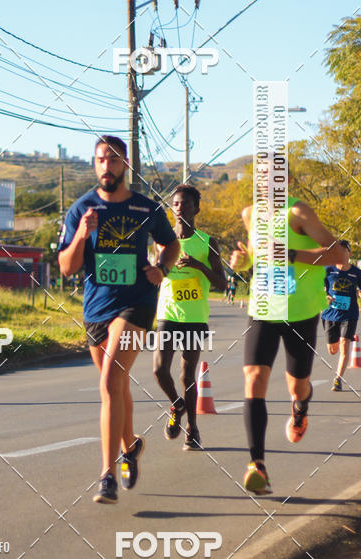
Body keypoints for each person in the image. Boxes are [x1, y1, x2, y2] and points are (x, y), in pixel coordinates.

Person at [58, 135, 180, 504]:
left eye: (112, 160)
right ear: (94, 165)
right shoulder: (82, 209)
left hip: (137, 305)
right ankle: (131, 446)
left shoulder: (145, 208)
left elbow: (171, 243)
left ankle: (106, 476)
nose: (106, 166)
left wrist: (161, 267)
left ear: (125, 165)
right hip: (97, 308)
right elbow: (66, 267)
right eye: (99, 160)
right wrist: (82, 234)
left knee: (111, 380)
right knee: (117, 385)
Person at [230, 192, 346, 495]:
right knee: (253, 379)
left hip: (300, 312)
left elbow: (339, 256)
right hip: (263, 309)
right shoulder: (249, 214)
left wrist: (293, 255)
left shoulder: (298, 212)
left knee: (298, 386)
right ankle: (257, 465)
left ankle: (300, 407)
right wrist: (241, 262)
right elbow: (255, 259)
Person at [153, 184, 226, 451]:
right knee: (159, 370)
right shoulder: (162, 242)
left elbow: (222, 283)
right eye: (175, 203)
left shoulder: (208, 243)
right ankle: (177, 404)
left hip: (194, 316)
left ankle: (192, 430)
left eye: (185, 203)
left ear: (197, 208)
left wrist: (198, 266)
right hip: (168, 313)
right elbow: (156, 274)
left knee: (187, 376)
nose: (179, 207)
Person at [321, 240, 361, 391]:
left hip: (349, 314)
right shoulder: (328, 270)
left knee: (344, 345)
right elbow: (319, 287)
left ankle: (338, 379)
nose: (342, 254)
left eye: (345, 251)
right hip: (330, 314)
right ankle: (335, 340)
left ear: (349, 253)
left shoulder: (357, 273)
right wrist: (324, 296)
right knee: (333, 350)